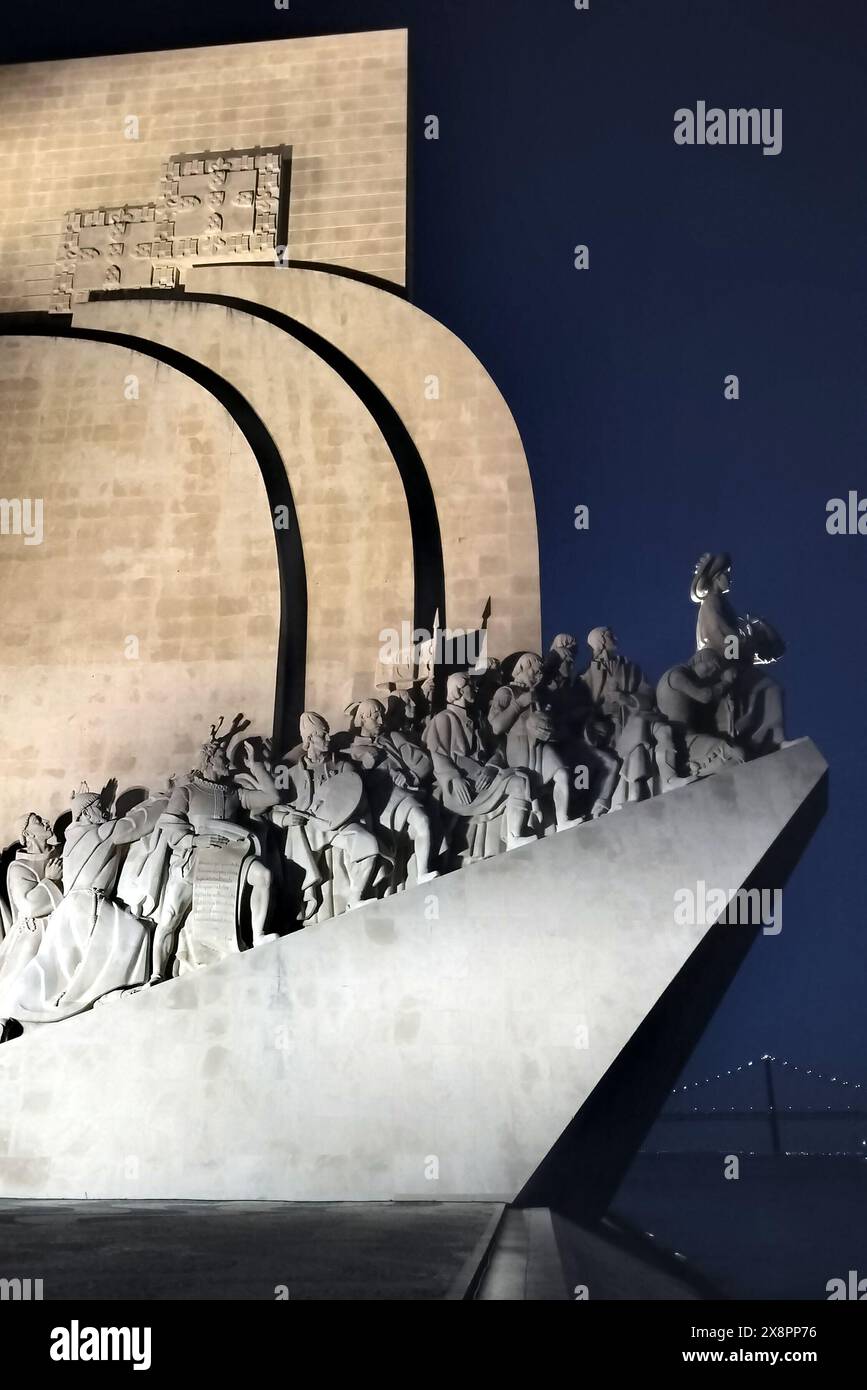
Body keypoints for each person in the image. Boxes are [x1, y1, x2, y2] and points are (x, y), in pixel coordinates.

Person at [3, 786, 166, 1027]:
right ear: (87, 814)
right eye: (100, 808)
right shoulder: (99, 832)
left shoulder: (71, 839)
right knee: (134, 934)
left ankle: (95, 994)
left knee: (63, 966)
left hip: (72, 908)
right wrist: (166, 800)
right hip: (84, 904)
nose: (106, 811)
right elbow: (137, 823)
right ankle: (105, 993)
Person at [149, 719, 278, 982]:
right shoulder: (187, 791)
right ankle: (156, 973)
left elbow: (272, 797)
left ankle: (258, 935)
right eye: (222, 757)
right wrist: (194, 842)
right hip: (193, 857)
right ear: (208, 760)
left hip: (227, 857)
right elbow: (170, 824)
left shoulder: (234, 794)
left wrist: (256, 765)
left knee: (263, 876)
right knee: (170, 916)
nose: (227, 762)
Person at [270, 712, 379, 920]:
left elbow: (357, 798)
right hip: (305, 830)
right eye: (323, 735)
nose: (329, 739)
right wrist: (285, 819)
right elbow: (273, 810)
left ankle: (355, 898)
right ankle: (302, 908)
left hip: (337, 826)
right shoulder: (288, 774)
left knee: (369, 844)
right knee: (295, 848)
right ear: (310, 739)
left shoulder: (343, 766)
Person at [426, 671, 536, 859]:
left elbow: (500, 748)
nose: (475, 688)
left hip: (484, 778)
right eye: (470, 685)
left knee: (520, 782)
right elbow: (438, 755)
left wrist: (492, 766)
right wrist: (454, 778)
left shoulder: (479, 719)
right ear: (459, 689)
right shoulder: (443, 718)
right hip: (462, 787)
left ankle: (514, 837)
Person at [345, 698, 439, 883]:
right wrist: (371, 767)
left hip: (403, 793)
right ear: (363, 719)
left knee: (423, 823)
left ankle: (421, 873)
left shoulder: (389, 740)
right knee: (421, 821)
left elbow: (418, 763)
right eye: (375, 717)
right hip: (382, 801)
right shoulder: (353, 750)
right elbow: (353, 786)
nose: (381, 721)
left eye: (382, 716)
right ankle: (418, 874)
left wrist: (408, 775)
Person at [487, 653, 576, 829]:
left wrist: (549, 727)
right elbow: (496, 726)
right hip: (519, 747)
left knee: (562, 775)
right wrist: (518, 704)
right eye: (535, 672)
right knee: (526, 788)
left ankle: (563, 820)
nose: (539, 676)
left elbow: (553, 725)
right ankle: (517, 832)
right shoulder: (506, 692)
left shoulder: (539, 695)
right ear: (522, 669)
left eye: (540, 673)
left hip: (541, 746)